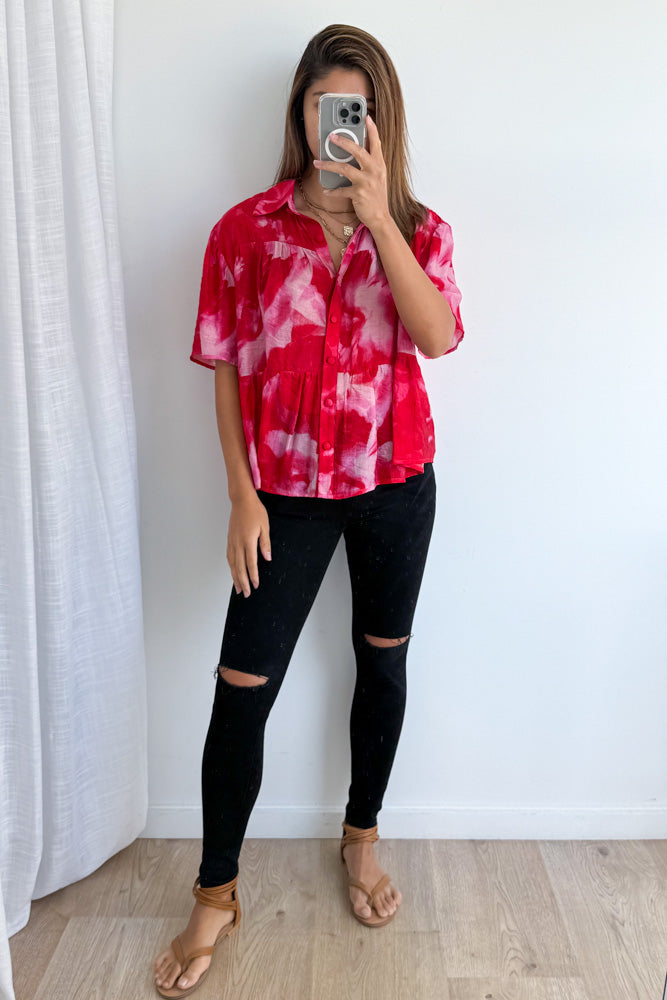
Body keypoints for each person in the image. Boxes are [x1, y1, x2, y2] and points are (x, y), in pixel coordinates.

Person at [154, 22, 464, 998]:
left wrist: (377, 217)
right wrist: (240, 494)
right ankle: (216, 890)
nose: (338, 127)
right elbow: (224, 366)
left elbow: (437, 337)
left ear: (380, 123)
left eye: (356, 113)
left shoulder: (420, 230)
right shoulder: (244, 232)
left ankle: (360, 838)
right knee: (240, 686)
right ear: (299, 113)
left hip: (393, 485)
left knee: (382, 663)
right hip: (282, 497)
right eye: (324, 108)